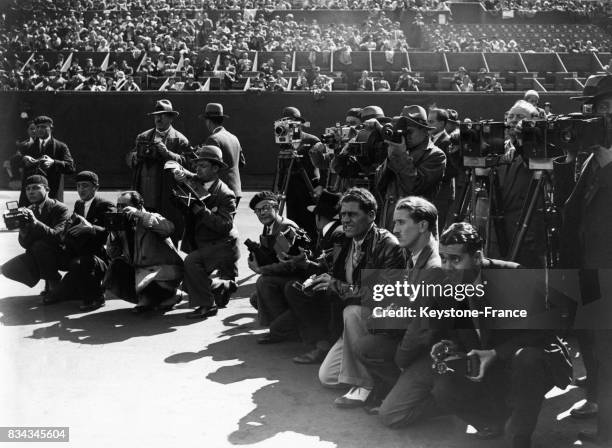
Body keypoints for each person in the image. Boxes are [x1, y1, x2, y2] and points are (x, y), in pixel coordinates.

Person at [430, 222, 570, 448]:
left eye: (456, 259)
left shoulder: (513, 275)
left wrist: (496, 353)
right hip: (491, 367)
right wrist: (448, 345)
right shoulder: (447, 286)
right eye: (443, 258)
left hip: (527, 359)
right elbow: (456, 330)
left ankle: (519, 438)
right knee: (443, 388)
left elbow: (544, 330)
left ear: (476, 257)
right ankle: (491, 422)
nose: (447, 267)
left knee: (528, 359)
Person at [557, 74, 612, 446]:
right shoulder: (593, 157)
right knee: (593, 344)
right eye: (592, 108)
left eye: (605, 108)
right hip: (588, 268)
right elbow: (568, 210)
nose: (595, 116)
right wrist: (569, 160)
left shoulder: (605, 161)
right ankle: (596, 403)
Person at [355, 196, 445, 423]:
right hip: (418, 337)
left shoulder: (433, 267)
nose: (395, 229)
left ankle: (438, 401)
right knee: (367, 343)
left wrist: (401, 361)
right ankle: (398, 389)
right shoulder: (414, 251)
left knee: (391, 417)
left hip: (433, 349)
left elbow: (421, 330)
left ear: (423, 225)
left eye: (401, 223)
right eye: (395, 223)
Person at [315, 188, 406, 408]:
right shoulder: (345, 239)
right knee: (327, 378)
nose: (345, 220)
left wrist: (337, 286)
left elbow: (382, 296)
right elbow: (327, 266)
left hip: (379, 326)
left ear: (372, 215)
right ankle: (366, 376)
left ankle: (366, 385)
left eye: (352, 214)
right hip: (351, 327)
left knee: (352, 311)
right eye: (343, 214)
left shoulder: (388, 245)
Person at [173, 146, 240, 320]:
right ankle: (220, 286)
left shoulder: (226, 194)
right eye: (196, 166)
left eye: (202, 166)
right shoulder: (195, 184)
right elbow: (184, 206)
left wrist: (201, 211)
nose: (197, 169)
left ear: (215, 168)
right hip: (202, 241)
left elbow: (225, 226)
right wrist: (180, 188)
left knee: (191, 263)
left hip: (222, 243)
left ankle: (208, 306)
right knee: (187, 276)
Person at [283, 190, 345, 363]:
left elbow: (334, 269)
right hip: (330, 284)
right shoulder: (330, 231)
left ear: (318, 216)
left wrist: (307, 264)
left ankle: (321, 343)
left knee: (293, 289)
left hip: (333, 288)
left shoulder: (337, 233)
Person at [45, 171, 115, 311]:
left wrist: (91, 228)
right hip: (78, 251)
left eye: (85, 186)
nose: (81, 190)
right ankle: (62, 288)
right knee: (48, 251)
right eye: (78, 186)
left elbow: (112, 233)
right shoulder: (79, 204)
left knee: (79, 264)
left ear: (96, 187)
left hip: (99, 257)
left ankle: (97, 297)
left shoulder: (105, 205)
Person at [105, 191, 183, 314]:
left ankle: (170, 294)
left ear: (138, 206)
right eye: (118, 206)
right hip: (141, 272)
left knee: (147, 277)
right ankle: (149, 299)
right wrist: (113, 233)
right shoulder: (121, 224)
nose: (120, 209)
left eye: (124, 206)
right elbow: (112, 254)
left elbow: (169, 228)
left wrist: (140, 215)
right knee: (117, 265)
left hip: (163, 271)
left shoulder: (150, 217)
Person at [126, 99, 190, 243]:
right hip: (143, 192)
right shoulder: (143, 137)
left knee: (168, 236)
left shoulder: (179, 140)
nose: (158, 118)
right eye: (156, 115)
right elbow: (130, 158)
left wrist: (168, 153)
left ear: (171, 117)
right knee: (142, 235)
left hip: (166, 195)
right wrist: (135, 157)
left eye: (163, 115)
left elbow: (188, 164)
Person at [375, 105, 446, 231]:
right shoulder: (400, 150)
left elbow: (414, 187)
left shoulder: (436, 155)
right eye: (403, 131)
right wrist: (391, 156)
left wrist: (401, 156)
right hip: (389, 222)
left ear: (424, 130)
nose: (405, 136)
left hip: (416, 227)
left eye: (409, 132)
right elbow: (379, 183)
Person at [247, 191, 306, 343]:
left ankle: (284, 330)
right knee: (256, 299)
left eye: (266, 207)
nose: (263, 213)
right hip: (287, 276)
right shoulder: (270, 226)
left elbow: (288, 265)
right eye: (258, 211)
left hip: (298, 278)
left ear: (276, 206)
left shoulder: (286, 228)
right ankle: (285, 325)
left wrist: (261, 270)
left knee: (264, 282)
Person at [2, 175, 69, 296]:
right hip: (40, 254)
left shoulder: (59, 208)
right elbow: (25, 244)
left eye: (35, 188)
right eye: (27, 189)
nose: (30, 192)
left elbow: (58, 238)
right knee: (7, 269)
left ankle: (54, 281)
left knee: (39, 246)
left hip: (62, 255)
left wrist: (35, 222)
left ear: (47, 189)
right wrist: (22, 230)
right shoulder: (29, 209)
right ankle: (46, 279)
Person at [277, 106, 325, 240]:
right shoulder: (284, 142)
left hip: (309, 188)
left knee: (310, 222)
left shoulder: (312, 140)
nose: (289, 125)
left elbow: (324, 164)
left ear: (299, 122)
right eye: (286, 121)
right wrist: (279, 187)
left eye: (292, 121)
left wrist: (321, 184)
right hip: (291, 189)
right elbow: (282, 166)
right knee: (293, 223)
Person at [18, 115, 75, 206]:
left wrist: (53, 162)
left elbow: (71, 167)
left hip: (52, 196)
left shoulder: (60, 146)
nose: (40, 129)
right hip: (30, 198)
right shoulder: (26, 146)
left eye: (44, 127)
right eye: (38, 127)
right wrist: (24, 159)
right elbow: (14, 165)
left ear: (51, 128)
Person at [200, 103, 246, 205]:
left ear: (208, 122)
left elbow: (209, 168)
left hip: (220, 192)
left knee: (215, 221)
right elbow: (241, 163)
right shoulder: (234, 138)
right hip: (236, 190)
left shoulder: (213, 139)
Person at [428, 108, 454, 231]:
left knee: (436, 230)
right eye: (427, 121)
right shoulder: (428, 140)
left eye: (431, 122)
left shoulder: (448, 142)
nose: (428, 125)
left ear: (442, 123)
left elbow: (452, 169)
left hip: (442, 194)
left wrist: (432, 175)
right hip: (431, 193)